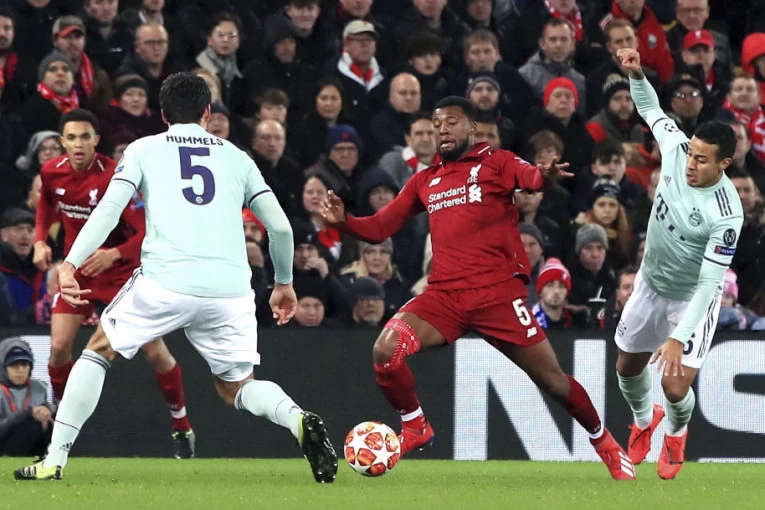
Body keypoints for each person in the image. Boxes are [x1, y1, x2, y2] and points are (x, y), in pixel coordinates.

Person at [14, 72, 337, 483]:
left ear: (163, 115)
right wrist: (284, 284)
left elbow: (109, 211)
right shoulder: (237, 157)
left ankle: (54, 461)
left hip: (165, 282)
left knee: (98, 350)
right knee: (238, 387)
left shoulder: (143, 149)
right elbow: (281, 228)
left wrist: (70, 263)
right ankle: (296, 418)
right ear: (207, 112)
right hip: (229, 290)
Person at [321, 95, 636, 480]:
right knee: (385, 351)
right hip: (444, 297)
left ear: (472, 128)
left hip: (497, 297)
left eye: (451, 122)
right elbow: (380, 226)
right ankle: (415, 425)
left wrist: (544, 176)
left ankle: (604, 441)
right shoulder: (425, 180)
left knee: (554, 382)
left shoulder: (497, 162)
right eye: (437, 124)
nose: (442, 130)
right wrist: (345, 222)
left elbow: (530, 178)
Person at [33, 108, 195, 458]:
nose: (78, 144)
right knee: (58, 348)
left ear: (96, 140)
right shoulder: (51, 172)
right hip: (80, 269)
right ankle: (63, 427)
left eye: (85, 137)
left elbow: (147, 230)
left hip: (122, 272)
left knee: (154, 351)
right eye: (71, 137)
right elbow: (46, 203)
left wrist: (115, 254)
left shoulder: (115, 176)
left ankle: (181, 424)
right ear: (62, 142)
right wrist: (40, 239)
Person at [614, 48, 743, 480]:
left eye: (702, 160)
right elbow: (651, 109)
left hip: (690, 298)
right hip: (651, 283)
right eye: (692, 154)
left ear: (724, 164)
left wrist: (677, 337)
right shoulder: (676, 147)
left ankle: (676, 431)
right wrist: (636, 75)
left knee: (673, 386)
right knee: (626, 368)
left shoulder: (726, 213)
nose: (690, 163)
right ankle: (643, 419)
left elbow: (709, 284)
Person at [0, 337, 55, 457]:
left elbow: (54, 409)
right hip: (3, 446)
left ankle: (42, 457)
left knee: (49, 420)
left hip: (32, 445)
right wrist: (27, 413)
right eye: (14, 365)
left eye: (24, 364)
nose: (20, 370)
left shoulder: (39, 387)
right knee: (31, 422)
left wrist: (48, 408)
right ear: (3, 367)